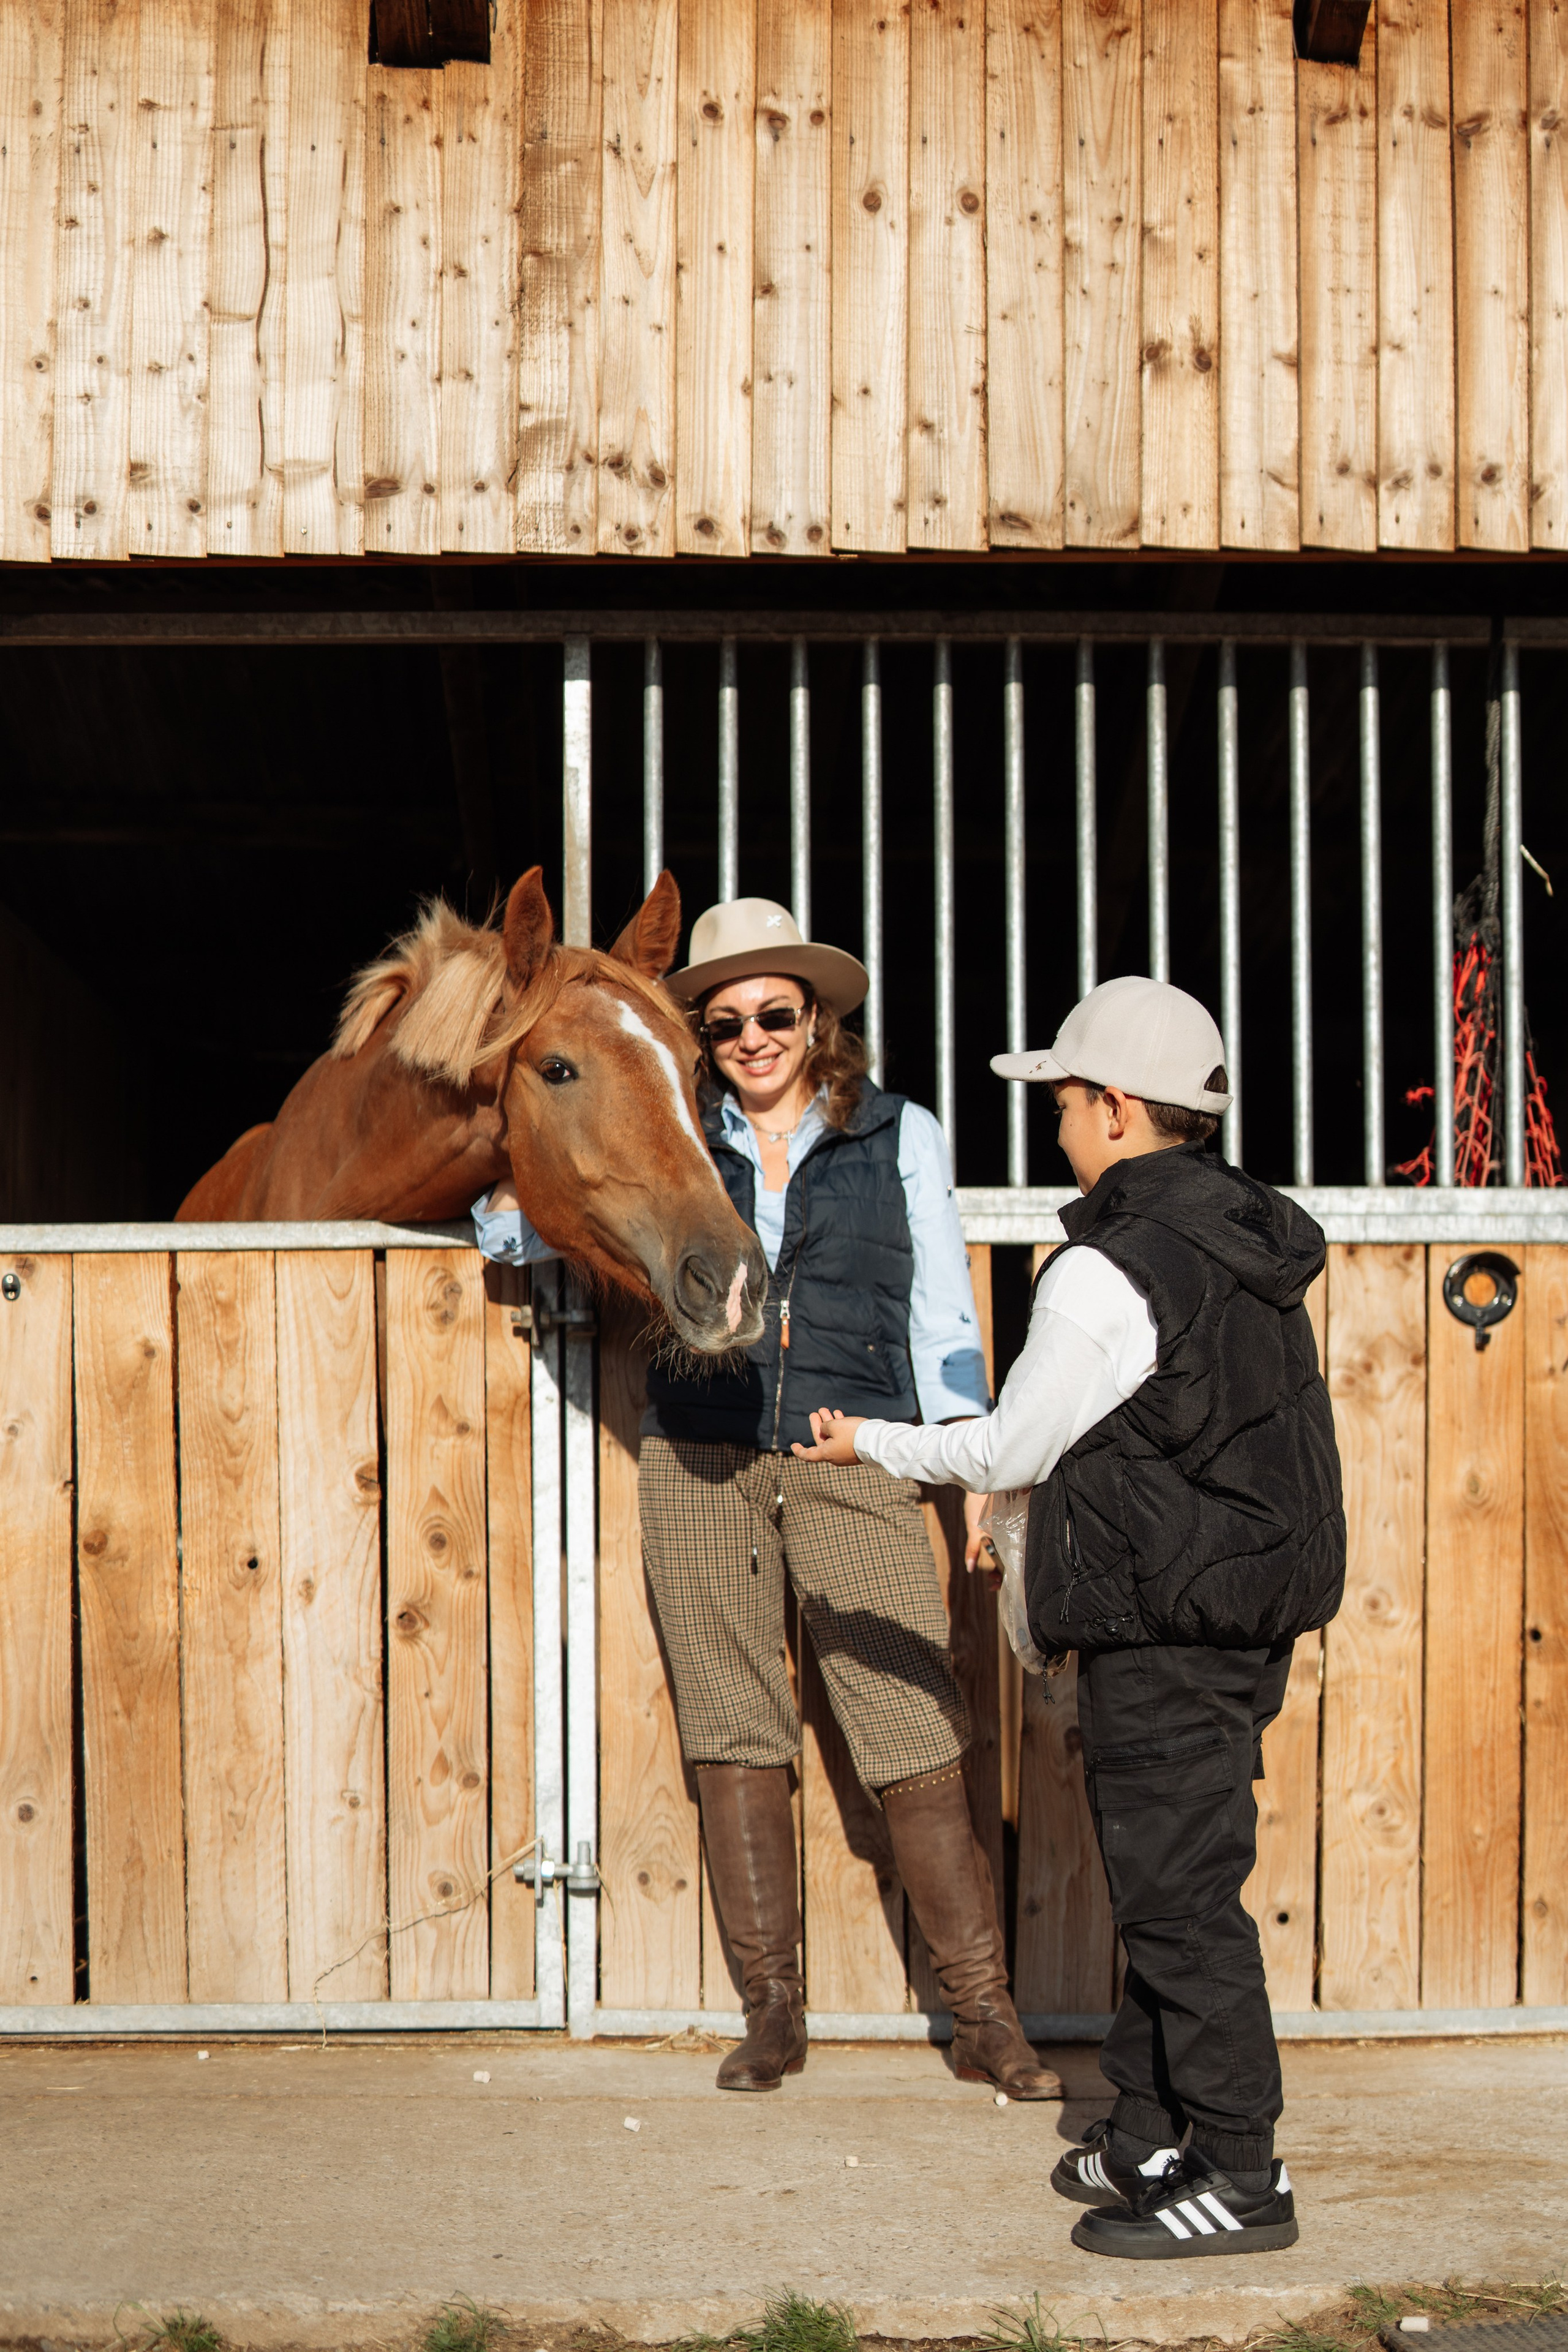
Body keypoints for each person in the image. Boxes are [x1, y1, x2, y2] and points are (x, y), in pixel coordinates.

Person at [474, 895, 1061, 2103]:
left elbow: (944, 1313)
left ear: (818, 1019)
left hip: (853, 1453)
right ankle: (771, 2017)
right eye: (725, 1017)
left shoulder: (899, 1135)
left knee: (909, 1725)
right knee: (732, 1728)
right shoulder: (674, 1129)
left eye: (774, 1013)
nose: (751, 1036)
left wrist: (964, 1467)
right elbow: (525, 1211)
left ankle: (985, 2018)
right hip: (699, 1452)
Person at [794, 975, 1346, 2258]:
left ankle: (1243, 2176)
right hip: (1231, 1617)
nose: (1052, 1120)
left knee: (1176, 1904)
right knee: (1168, 1882)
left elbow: (1006, 1437)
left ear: (1111, 1107)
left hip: (1165, 1624)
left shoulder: (1109, 1265)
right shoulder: (1235, 1239)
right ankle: (1150, 2127)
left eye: (1061, 1097)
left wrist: (866, 1443)